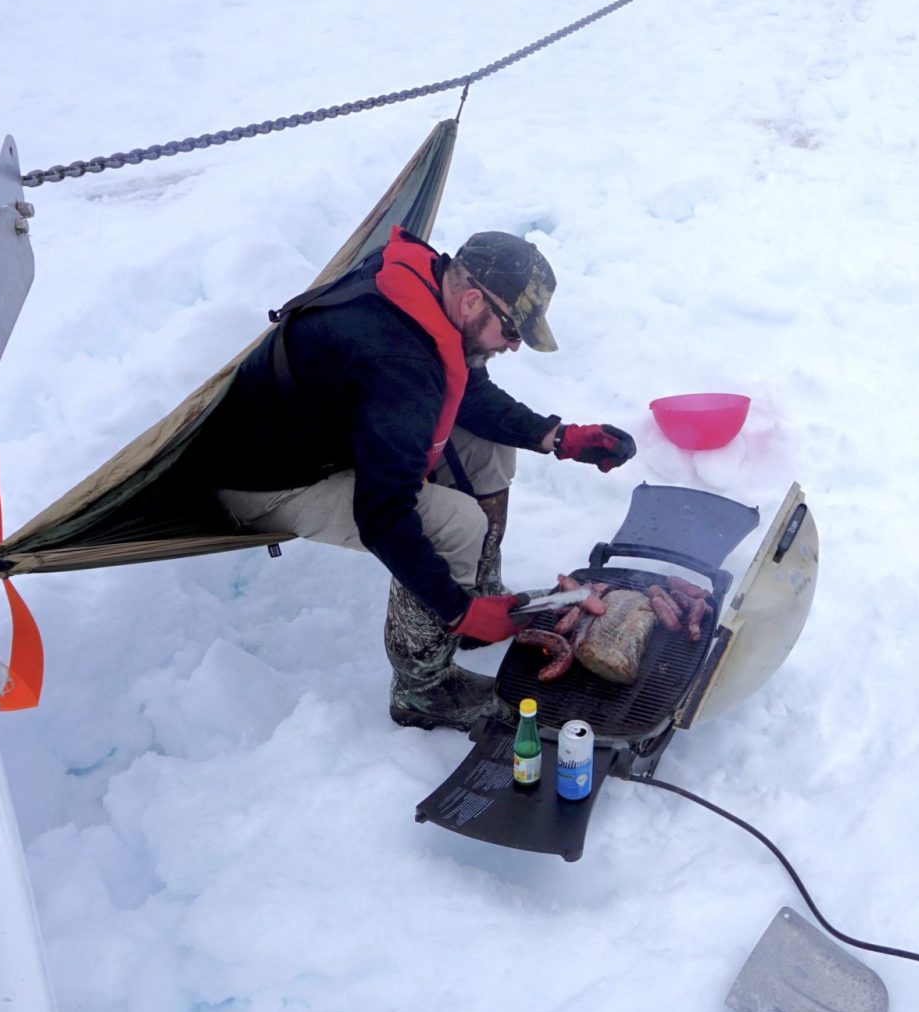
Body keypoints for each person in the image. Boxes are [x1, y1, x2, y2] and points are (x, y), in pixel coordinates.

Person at [192, 225, 636, 731]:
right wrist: (454, 608)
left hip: (334, 435)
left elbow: (462, 387)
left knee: (489, 450)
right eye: (512, 332)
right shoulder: (398, 361)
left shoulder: (424, 287)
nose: (513, 347)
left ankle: (479, 591)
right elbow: (385, 515)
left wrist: (557, 437)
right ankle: (422, 686)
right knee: (455, 524)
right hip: (267, 478)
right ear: (472, 300)